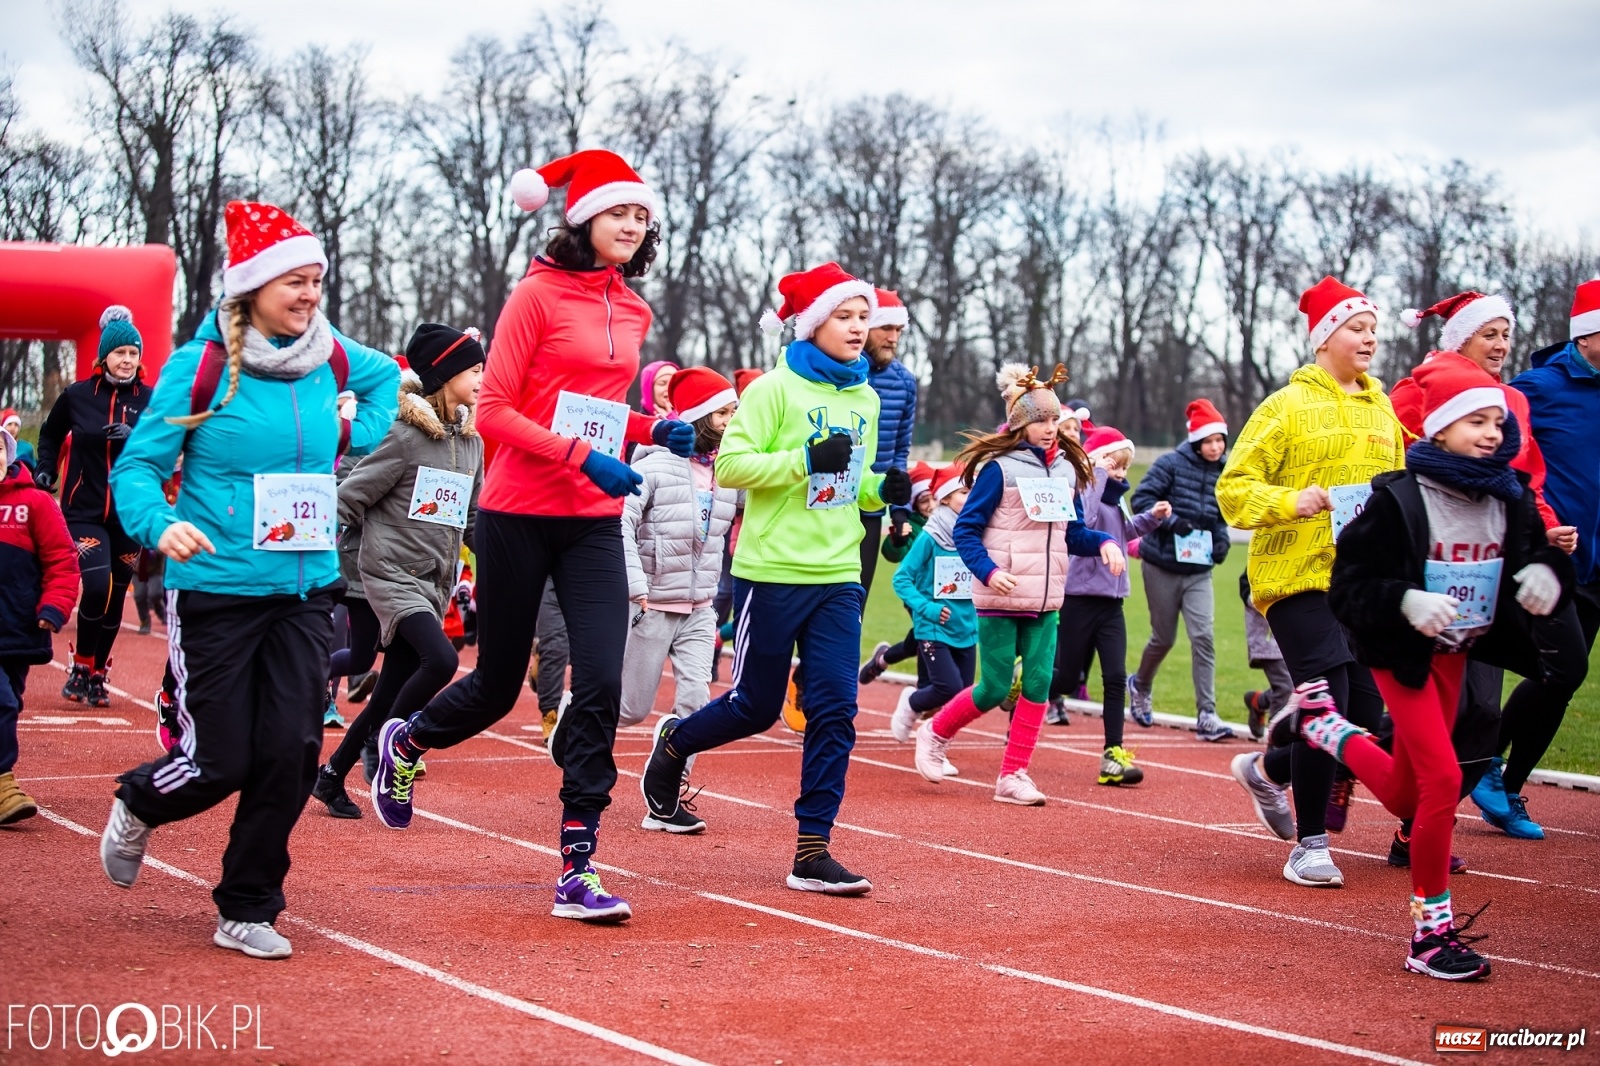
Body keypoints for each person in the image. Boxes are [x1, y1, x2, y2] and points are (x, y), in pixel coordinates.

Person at [371, 150, 694, 923]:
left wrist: (655, 427)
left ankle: (576, 865)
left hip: (590, 520)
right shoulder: (536, 296)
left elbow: (596, 408)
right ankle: (407, 742)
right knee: (493, 684)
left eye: (643, 215)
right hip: (517, 512)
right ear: (583, 217)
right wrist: (585, 455)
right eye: (621, 211)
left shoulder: (636, 309)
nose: (634, 224)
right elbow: (496, 412)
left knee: (603, 687)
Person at [99, 200, 399, 959]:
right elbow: (138, 467)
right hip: (221, 589)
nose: (308, 295)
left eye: (315, 281)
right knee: (219, 757)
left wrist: (350, 433)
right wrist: (157, 524)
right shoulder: (201, 369)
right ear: (252, 287)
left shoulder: (330, 354)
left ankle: (248, 905)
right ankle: (140, 799)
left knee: (294, 751)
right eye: (293, 282)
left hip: (306, 590)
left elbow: (389, 381)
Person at [638, 262, 910, 895]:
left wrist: (883, 491)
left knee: (836, 709)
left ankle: (812, 850)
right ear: (813, 323)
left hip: (840, 569)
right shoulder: (772, 392)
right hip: (772, 570)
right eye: (843, 316)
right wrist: (803, 458)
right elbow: (730, 465)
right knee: (755, 707)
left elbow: (853, 490)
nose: (856, 327)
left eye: (862, 317)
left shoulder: (865, 397)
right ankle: (676, 743)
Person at [1300, 356, 1572, 980]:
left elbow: (1541, 558)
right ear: (1439, 428)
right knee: (1443, 783)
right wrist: (1405, 599)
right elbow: (1348, 588)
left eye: (1497, 422)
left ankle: (1325, 728)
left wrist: (1543, 577)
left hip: (1460, 650)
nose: (1490, 433)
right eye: (1474, 420)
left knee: (1408, 790)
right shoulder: (1398, 500)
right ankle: (1430, 936)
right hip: (1401, 653)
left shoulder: (1510, 499)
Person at [1217, 276, 1405, 888]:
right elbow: (1233, 491)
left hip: (1363, 584)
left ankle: (1270, 769)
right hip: (1295, 577)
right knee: (1331, 708)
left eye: (1374, 329)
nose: (1369, 339)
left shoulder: (1383, 410)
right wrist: (1292, 501)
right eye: (1356, 328)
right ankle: (1310, 845)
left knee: (1365, 714)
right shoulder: (1285, 406)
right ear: (1325, 338)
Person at [912, 364, 1123, 805]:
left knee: (1039, 684)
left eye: (1054, 420)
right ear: (1019, 424)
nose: (1051, 429)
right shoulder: (998, 470)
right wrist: (989, 572)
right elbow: (966, 530)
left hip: (1047, 595)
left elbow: (1072, 533)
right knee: (992, 686)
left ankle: (1013, 775)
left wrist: (1104, 542)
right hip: (1002, 593)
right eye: (1040, 421)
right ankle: (934, 732)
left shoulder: (1066, 471)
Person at [311, 323, 484, 820]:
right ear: (445, 374)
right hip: (389, 573)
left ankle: (332, 775)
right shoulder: (405, 438)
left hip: (434, 581)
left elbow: (470, 522)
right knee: (442, 661)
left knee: (388, 689)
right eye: (473, 369)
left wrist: (503, 567)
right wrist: (318, 556)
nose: (481, 378)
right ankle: (400, 744)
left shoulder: (473, 444)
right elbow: (350, 497)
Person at [1491, 278, 1600, 837]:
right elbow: (1497, 450)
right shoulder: (1538, 387)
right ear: (1587, 334)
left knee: (1565, 680)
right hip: (1554, 558)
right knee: (1559, 667)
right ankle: (1487, 764)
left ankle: (1506, 784)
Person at [618, 366, 740, 834]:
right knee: (630, 708)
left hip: (700, 604)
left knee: (696, 700)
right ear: (700, 417)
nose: (733, 420)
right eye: (725, 411)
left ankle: (665, 795)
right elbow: (619, 524)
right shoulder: (651, 466)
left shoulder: (729, 474)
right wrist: (635, 585)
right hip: (651, 601)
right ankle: (575, 711)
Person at [34, 305, 151, 708]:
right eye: (120, 353)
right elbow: (49, 436)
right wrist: (45, 471)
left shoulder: (149, 401)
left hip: (130, 514)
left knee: (118, 594)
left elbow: (168, 448)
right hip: (83, 511)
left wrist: (135, 436)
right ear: (104, 357)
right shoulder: (78, 396)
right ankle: (81, 665)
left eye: (133, 354)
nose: (127, 361)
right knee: (97, 585)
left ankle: (99, 672)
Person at [1049, 427, 1170, 781]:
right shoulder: (1087, 491)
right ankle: (1030, 684)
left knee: (1115, 678)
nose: (1120, 474)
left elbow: (1124, 533)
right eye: (1114, 466)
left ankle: (1112, 756)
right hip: (1079, 600)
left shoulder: (1114, 501)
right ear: (1097, 463)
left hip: (1111, 604)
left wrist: (1152, 519)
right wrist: (1097, 474)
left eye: (1123, 468)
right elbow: (1082, 524)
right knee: (1068, 679)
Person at [1128, 399, 1235, 742]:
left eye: (1220, 440)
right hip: (1161, 564)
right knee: (1164, 638)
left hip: (1198, 570)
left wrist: (1221, 542)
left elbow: (1222, 516)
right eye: (1209, 441)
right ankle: (1140, 684)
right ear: (1196, 441)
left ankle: (1207, 713)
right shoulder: (1170, 464)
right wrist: (1172, 523)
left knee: (1203, 636)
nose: (1216, 447)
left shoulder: (1225, 471)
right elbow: (1140, 500)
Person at [0, 428, 80, 825]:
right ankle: (2, 782)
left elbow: (63, 560)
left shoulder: (35, 503)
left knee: (9, 702)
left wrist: (54, 606)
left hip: (17, 627)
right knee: (0, 701)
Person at [884, 462, 973, 777]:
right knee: (948, 687)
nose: (972, 495)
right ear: (946, 498)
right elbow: (901, 579)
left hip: (968, 624)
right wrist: (930, 609)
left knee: (964, 695)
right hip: (933, 624)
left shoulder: (977, 533)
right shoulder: (930, 537)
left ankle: (937, 747)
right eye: (964, 491)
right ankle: (911, 702)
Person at [860, 287, 918, 596]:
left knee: (858, 600)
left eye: (898, 330)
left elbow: (900, 451)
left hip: (872, 508)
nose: (893, 337)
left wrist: (900, 511)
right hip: (827, 508)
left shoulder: (906, 382)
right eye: (885, 328)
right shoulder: (838, 373)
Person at [859, 460, 936, 685]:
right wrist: (899, 537)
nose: (931, 505)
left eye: (934, 498)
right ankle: (925, 689)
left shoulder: (948, 521)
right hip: (917, 593)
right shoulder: (910, 525)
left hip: (943, 591)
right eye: (924, 500)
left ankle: (882, 660)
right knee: (928, 636)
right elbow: (892, 553)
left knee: (922, 638)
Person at [1240, 573, 1290, 741]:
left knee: (1303, 685)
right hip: (1267, 636)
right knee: (1285, 687)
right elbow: (1246, 583)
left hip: (1297, 633)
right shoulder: (1264, 555)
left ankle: (1259, 701)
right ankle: (1277, 742)